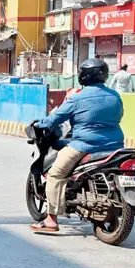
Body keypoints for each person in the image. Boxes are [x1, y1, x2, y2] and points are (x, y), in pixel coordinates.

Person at [31, 58, 125, 235]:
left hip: (85, 145)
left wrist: (39, 124)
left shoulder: (78, 98)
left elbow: (54, 119)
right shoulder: (115, 96)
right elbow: (119, 115)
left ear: (86, 76)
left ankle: (51, 220)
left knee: (56, 174)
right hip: (115, 145)